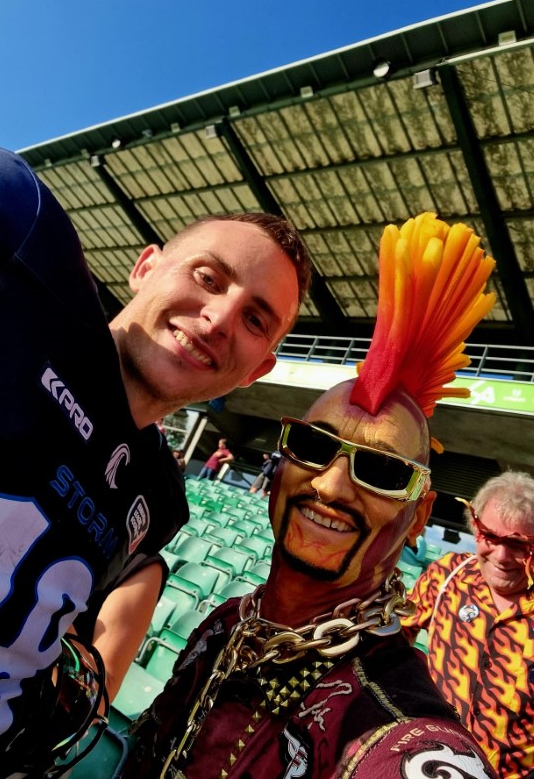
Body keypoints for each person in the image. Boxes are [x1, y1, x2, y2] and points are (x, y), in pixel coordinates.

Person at [0, 139, 311, 779]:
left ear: (258, 370)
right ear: (145, 267)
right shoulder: (9, 241)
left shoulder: (156, 500)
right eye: (208, 277)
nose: (219, 318)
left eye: (255, 320)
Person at [125, 212, 499, 778]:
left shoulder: (398, 732)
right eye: (313, 445)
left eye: (382, 470)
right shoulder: (226, 623)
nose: (330, 484)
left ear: (420, 513)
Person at [402, 471, 534, 778]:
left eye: (518, 545)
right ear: (475, 527)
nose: (501, 556)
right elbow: (393, 640)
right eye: (491, 537)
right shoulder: (447, 576)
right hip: (431, 761)